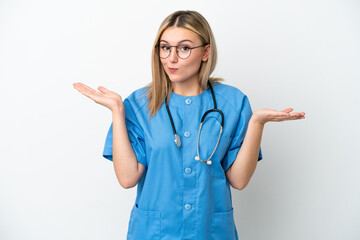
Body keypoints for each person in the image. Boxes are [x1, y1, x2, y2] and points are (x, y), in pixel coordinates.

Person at [73, 10, 305, 240]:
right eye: (165, 48)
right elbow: (127, 178)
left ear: (205, 52)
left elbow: (239, 180)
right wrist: (116, 110)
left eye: (184, 48)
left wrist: (257, 122)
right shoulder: (138, 104)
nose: (171, 58)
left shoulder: (233, 103)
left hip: (209, 232)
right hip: (154, 233)